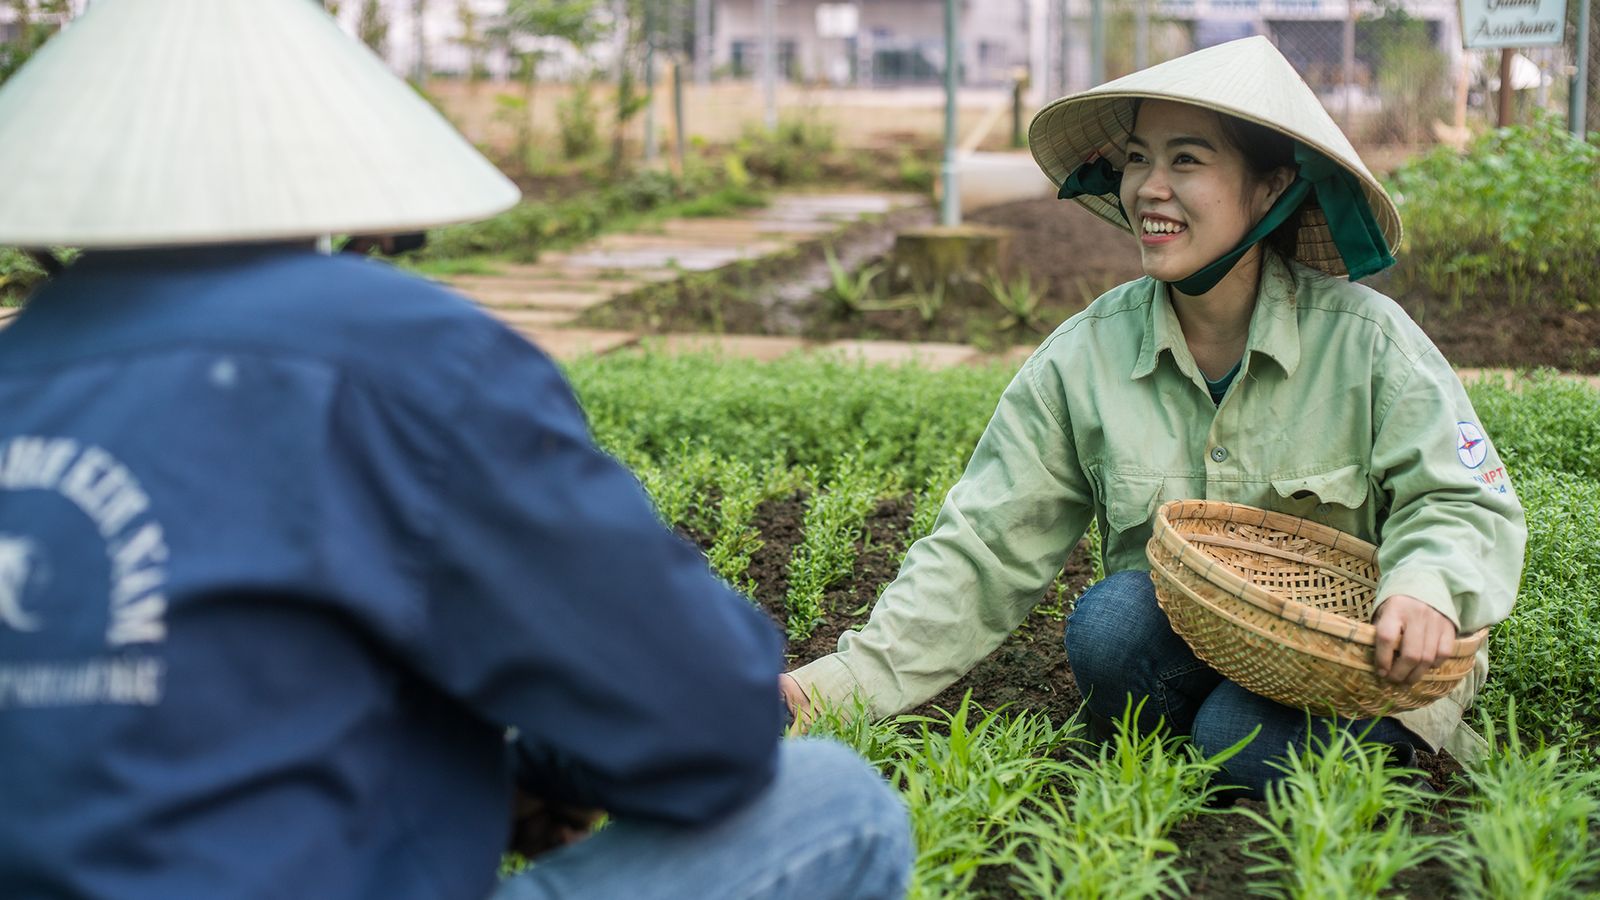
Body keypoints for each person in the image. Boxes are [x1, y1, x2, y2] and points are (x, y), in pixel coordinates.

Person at [0, 2, 910, 898]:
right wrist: (532, 764)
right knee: (834, 804)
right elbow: (709, 720)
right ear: (345, 184)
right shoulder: (402, 357)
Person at [781, 37, 1526, 795]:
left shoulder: (1369, 343)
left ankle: (1296, 738)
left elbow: (1462, 498)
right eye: (1138, 158)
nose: (1150, 188)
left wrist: (1427, 588)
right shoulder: (1085, 357)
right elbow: (983, 545)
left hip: (1361, 659)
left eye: (1188, 161)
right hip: (1212, 643)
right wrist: (840, 684)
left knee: (1235, 737)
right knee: (1111, 625)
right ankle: (1222, 731)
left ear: (1269, 190)